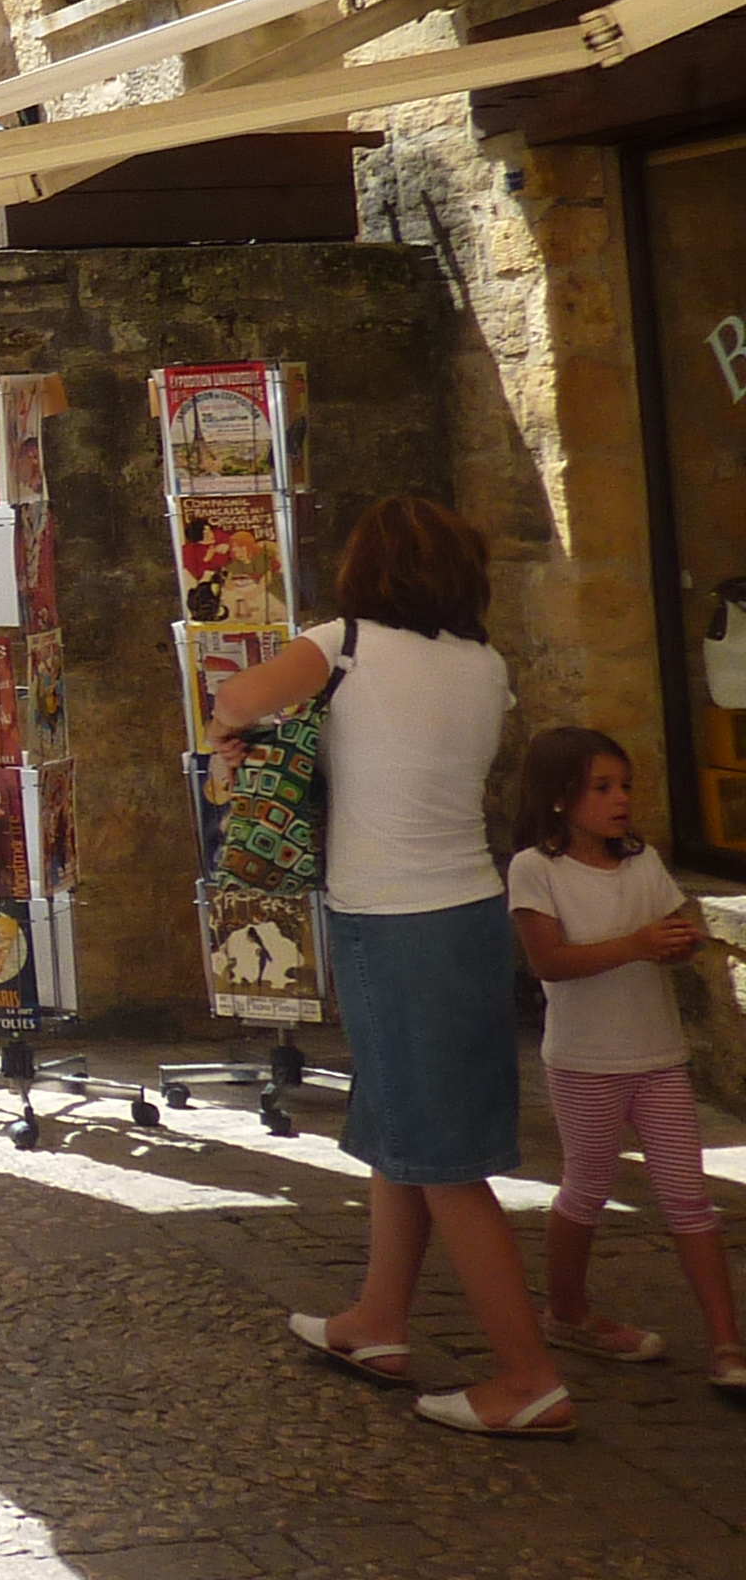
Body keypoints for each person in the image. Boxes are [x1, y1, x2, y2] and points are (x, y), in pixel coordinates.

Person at [204, 493, 571, 1437]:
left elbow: (235, 697)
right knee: (402, 1130)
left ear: (368, 571)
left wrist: (248, 736)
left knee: (443, 1161)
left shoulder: (347, 642)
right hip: (466, 912)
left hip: (392, 922)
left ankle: (528, 1377)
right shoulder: (485, 666)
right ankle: (378, 1319)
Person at [505, 726, 744, 1393]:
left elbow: (676, 927)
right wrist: (638, 944)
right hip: (585, 1061)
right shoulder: (536, 870)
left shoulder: (643, 862)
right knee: (587, 1187)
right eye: (601, 787)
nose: (620, 801)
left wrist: (679, 943)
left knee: (690, 1198)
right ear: (560, 798)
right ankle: (568, 1309)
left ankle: (727, 1343)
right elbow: (550, 961)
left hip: (657, 1055)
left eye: (625, 786)